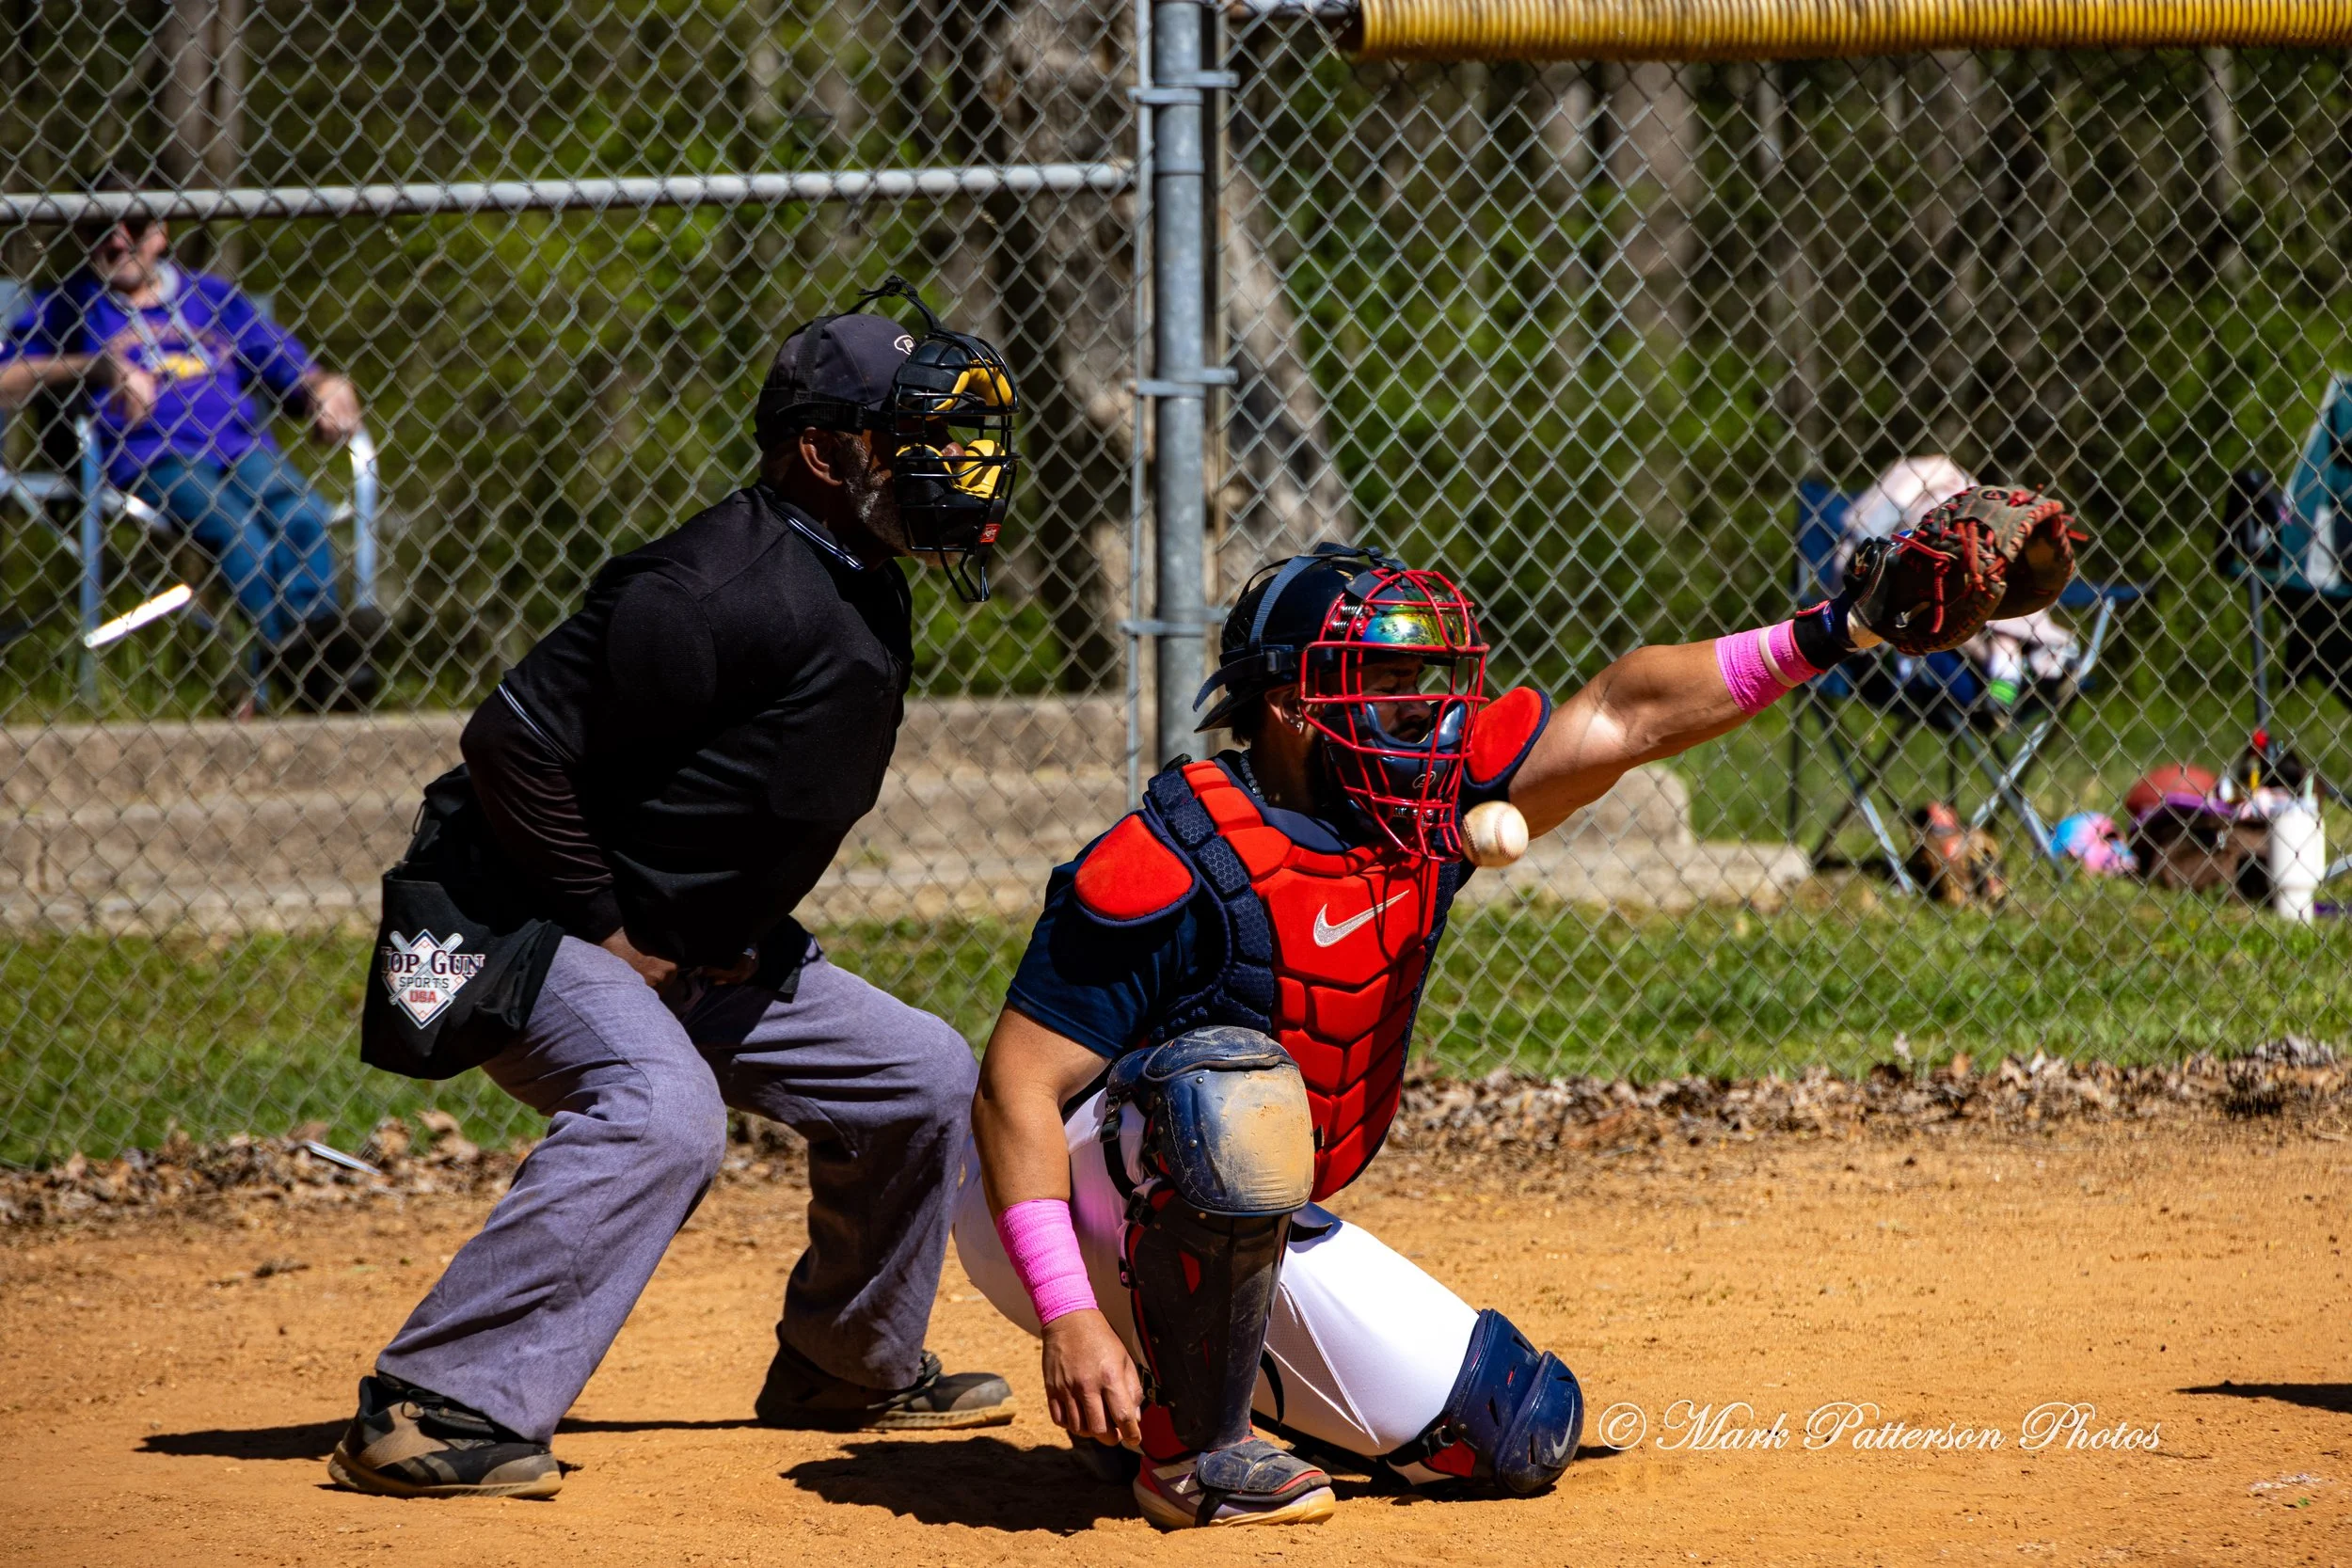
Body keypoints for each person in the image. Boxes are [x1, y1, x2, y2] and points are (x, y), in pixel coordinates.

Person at [954, 517, 2074, 1529]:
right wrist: (1067, 1314)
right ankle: (1191, 1455)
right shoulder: (1175, 854)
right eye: (1381, 681)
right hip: (1050, 1208)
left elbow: (1625, 710)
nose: (1421, 707)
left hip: (1219, 1226)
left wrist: (1841, 626)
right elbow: (1012, 1088)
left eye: (1423, 677)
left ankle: (1169, 1385)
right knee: (1220, 1084)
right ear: (1292, 706)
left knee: (1516, 1425)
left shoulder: (1422, 800)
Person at [328, 277, 1023, 1500]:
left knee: (918, 1074)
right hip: (520, 918)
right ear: (823, 453)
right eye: (911, 437)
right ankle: (431, 1401)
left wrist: (709, 924)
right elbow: (509, 744)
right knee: (662, 1110)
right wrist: (612, 926)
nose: (951, 463)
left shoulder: (854, 568)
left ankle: (845, 1363)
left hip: (689, 943)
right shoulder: (710, 586)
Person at [0, 179, 376, 710]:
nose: (116, 242)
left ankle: (312, 663)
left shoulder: (212, 298)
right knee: (239, 532)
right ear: (82, 236)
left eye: (133, 227)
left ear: (160, 232)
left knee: (303, 518)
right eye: (99, 228)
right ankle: (305, 671)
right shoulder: (69, 305)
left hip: (240, 446)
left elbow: (290, 366)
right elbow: (7, 376)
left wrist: (324, 387)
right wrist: (96, 366)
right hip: (151, 454)